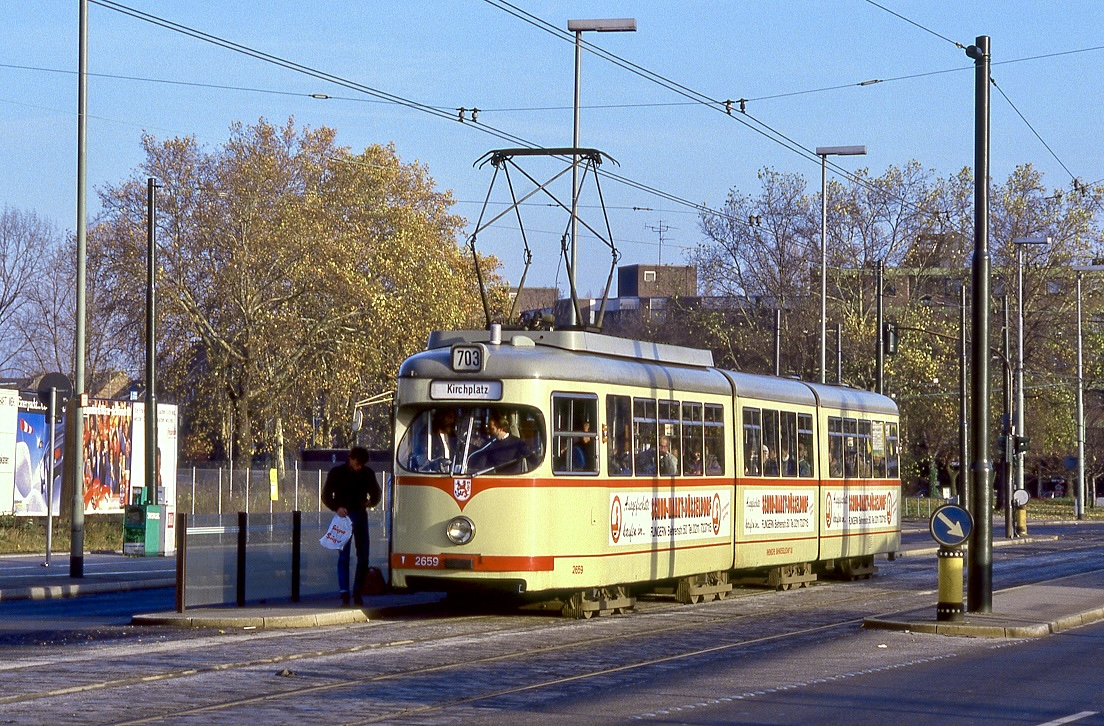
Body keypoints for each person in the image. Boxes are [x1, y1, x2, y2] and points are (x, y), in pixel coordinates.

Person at [322, 446, 382, 607]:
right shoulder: (342, 473)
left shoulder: (342, 473)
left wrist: (337, 507)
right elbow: (326, 495)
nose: (358, 467)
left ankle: (350, 592)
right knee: (350, 555)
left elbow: (376, 493)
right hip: (351, 514)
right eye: (357, 464)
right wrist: (369, 503)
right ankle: (350, 592)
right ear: (351, 459)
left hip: (350, 514)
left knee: (355, 556)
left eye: (360, 465)